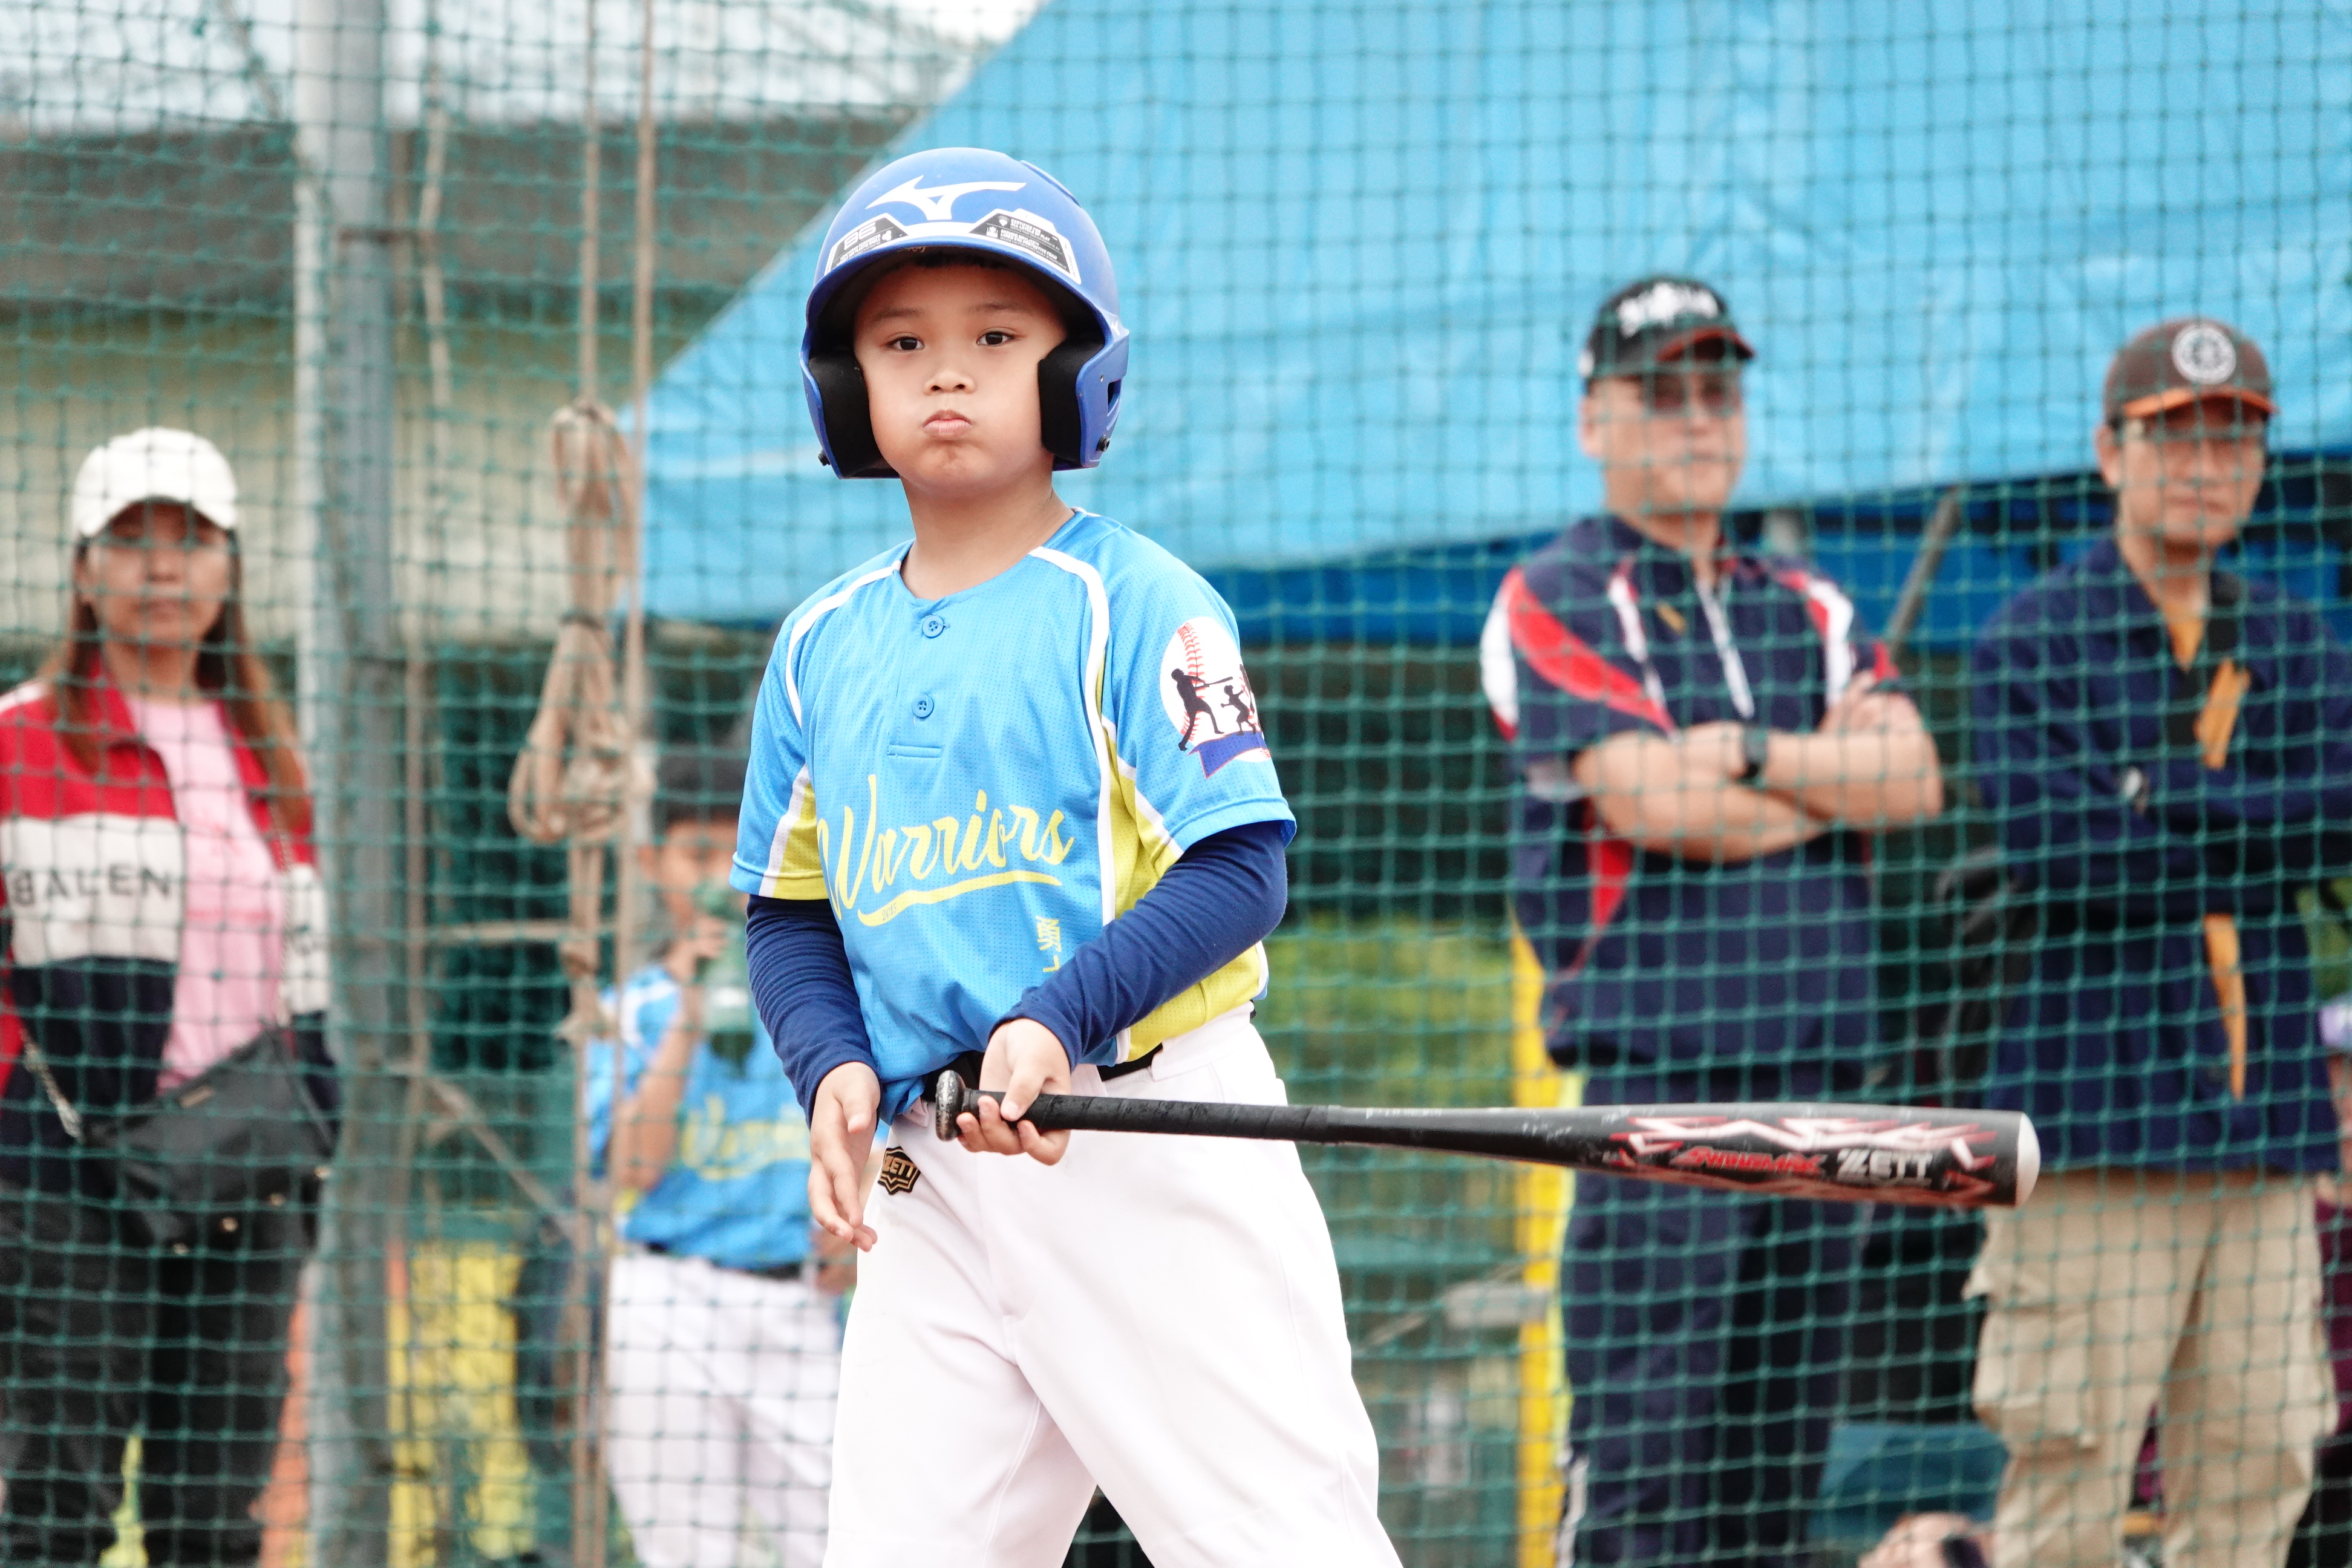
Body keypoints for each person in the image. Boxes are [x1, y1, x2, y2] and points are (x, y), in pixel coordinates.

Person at [734, 146, 1399, 1567]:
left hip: (1145, 1138)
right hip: (932, 1176)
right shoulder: (817, 645)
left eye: (996, 337)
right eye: (900, 343)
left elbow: (1240, 868)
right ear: (846, 386)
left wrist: (1054, 1019)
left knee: (1280, 1548)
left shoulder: (1140, 601)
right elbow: (789, 916)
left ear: (1075, 373)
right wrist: (830, 1065)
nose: (946, 372)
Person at [1481, 276, 1944, 1567]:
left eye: (1716, 392)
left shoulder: (1809, 601)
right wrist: (1823, 781)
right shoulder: (1556, 591)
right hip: (1659, 1095)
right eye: (1660, 392)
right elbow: (1661, 808)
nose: (1696, 417)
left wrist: (1742, 751)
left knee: (1774, 1492)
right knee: (1639, 1484)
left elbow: (1915, 780)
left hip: (1823, 1092)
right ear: (1594, 418)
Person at [1967, 317, 2352, 1568]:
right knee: (2069, 1471)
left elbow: (2340, 815)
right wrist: (2258, 827)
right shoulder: (2033, 640)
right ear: (2108, 452)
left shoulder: (2293, 638)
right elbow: (2070, 854)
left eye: (2235, 439)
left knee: (2264, 1457)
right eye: (2174, 436)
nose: (2206, 464)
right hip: (2095, 1130)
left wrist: (2166, 792)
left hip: (2266, 1132)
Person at [0, 428, 333, 1564]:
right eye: (129, 539)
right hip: (64, 1184)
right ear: (82, 569)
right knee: (56, 1508)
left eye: (190, 540)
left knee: (213, 1522)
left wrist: (316, 1131)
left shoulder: (270, 758)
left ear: (229, 568)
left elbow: (306, 979)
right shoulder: (18, 742)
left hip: (245, 1180)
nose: (161, 567)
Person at [586, 743, 850, 1568]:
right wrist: (695, 1008)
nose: (716, 879)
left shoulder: (827, 1001)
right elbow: (630, 1171)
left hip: (798, 1302)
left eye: (734, 854)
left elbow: (892, 1142)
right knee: (688, 1549)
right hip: (668, 1298)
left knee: (843, 1537)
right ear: (652, 864)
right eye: (696, 854)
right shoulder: (630, 1010)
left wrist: (869, 1221)